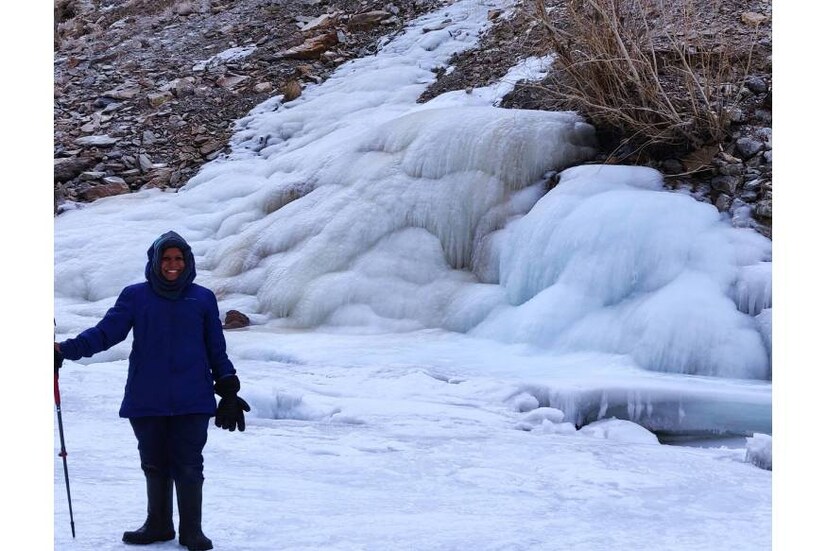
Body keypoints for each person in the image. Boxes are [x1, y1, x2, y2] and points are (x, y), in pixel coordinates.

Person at [54, 231, 250, 551]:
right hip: (147, 396)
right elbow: (106, 334)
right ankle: (158, 524)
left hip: (192, 398)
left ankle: (192, 531)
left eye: (179, 258)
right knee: (154, 463)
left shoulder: (202, 298)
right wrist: (65, 349)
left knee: (189, 465)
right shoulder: (136, 296)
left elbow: (216, 348)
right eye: (166, 258)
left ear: (187, 261)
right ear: (155, 261)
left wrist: (228, 388)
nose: (173, 264)